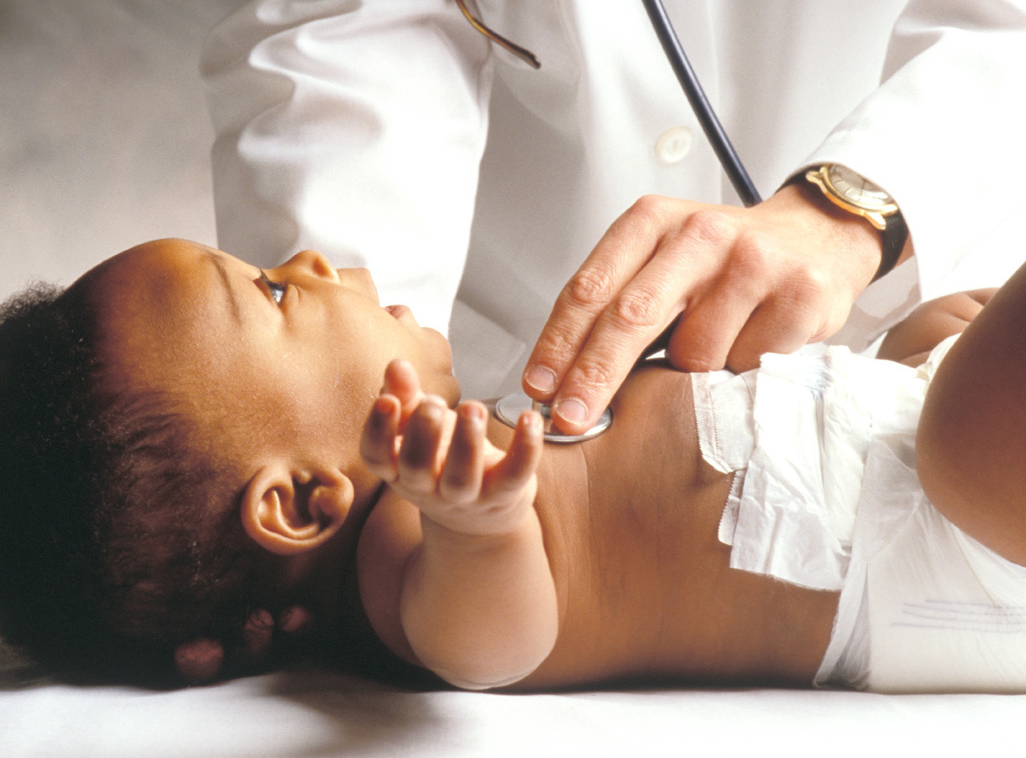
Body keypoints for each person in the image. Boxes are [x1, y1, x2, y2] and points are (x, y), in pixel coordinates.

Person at [2, 237, 1025, 692]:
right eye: (271, 293)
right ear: (301, 500)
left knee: (945, 326)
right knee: (976, 410)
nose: (310, 260)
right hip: (935, 549)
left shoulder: (446, 465)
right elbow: (485, 648)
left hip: (902, 461)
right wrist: (479, 528)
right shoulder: (405, 551)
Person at [203, 0, 1026, 436]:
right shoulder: (462, 510)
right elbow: (345, 21)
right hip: (511, 369)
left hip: (956, 300)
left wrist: (851, 206)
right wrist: (355, 407)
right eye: (274, 293)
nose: (305, 271)